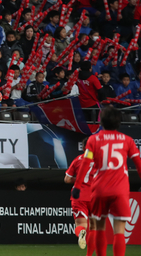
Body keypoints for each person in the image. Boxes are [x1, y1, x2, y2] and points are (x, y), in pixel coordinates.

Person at [72, 106, 141, 256]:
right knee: (119, 231)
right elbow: (138, 164)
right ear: (119, 122)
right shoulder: (127, 141)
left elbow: (85, 163)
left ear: (101, 122)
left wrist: (77, 186)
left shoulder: (93, 140)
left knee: (99, 227)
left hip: (99, 189)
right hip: (120, 189)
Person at [64, 138, 96, 253]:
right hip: (95, 196)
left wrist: (79, 179)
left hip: (79, 195)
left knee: (81, 225)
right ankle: (90, 254)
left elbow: (67, 179)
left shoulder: (78, 160)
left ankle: (81, 232)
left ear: (83, 148)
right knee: (94, 228)